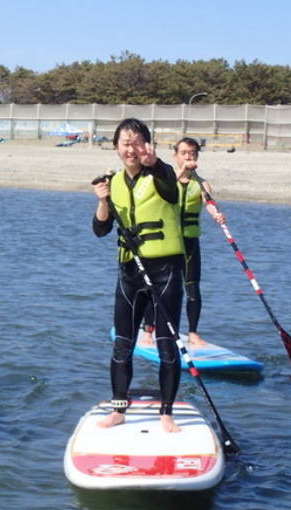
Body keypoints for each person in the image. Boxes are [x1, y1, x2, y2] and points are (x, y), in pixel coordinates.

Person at [91, 118, 184, 433]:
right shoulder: (112, 181)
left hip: (165, 271)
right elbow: (101, 229)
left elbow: (171, 191)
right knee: (122, 344)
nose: (130, 149)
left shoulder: (163, 174)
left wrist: (155, 163)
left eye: (136, 142)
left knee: (166, 345)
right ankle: (118, 410)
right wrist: (103, 201)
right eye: (124, 142)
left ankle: (166, 413)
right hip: (130, 272)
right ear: (116, 146)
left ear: (147, 145)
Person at [139, 137, 226, 347]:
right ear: (176, 156)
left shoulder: (201, 184)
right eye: (185, 153)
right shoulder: (168, 180)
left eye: (193, 153)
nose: (189, 156)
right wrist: (183, 171)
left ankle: (193, 333)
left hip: (190, 243)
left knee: (193, 287)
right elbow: (169, 185)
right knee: (157, 288)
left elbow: (209, 203)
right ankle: (148, 331)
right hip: (168, 244)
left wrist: (217, 214)